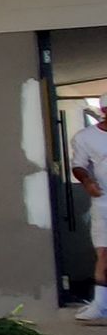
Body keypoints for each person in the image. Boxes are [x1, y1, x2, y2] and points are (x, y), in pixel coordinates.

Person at [71, 99, 107, 318]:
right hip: (104, 202)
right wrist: (87, 182)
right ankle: (100, 305)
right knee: (104, 252)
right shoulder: (86, 138)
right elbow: (79, 166)